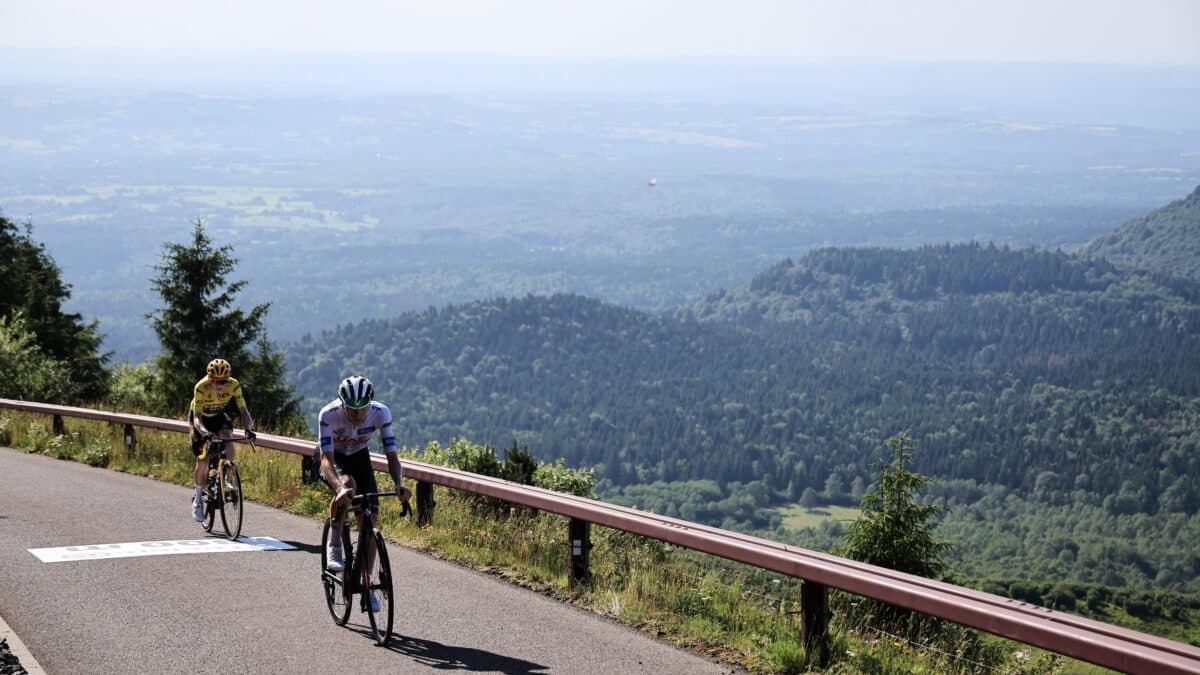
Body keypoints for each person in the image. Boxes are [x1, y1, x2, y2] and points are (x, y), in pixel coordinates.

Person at [318, 375, 410, 610]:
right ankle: (335, 544)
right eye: (351, 409)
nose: (358, 415)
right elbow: (325, 458)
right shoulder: (328, 415)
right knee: (348, 486)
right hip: (336, 458)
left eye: (363, 409)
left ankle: (366, 585)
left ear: (370, 403)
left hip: (360, 457)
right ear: (342, 403)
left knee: (369, 521)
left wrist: (399, 484)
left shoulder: (381, 413)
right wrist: (338, 487)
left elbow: (392, 456)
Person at [189, 358, 256, 522]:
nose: (220, 385)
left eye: (223, 381)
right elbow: (197, 419)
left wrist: (248, 429)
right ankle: (198, 500)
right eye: (216, 381)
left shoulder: (234, 385)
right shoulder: (201, 387)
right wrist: (205, 433)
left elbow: (244, 411)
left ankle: (228, 473)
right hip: (201, 420)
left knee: (228, 436)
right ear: (210, 378)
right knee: (203, 459)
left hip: (218, 417)